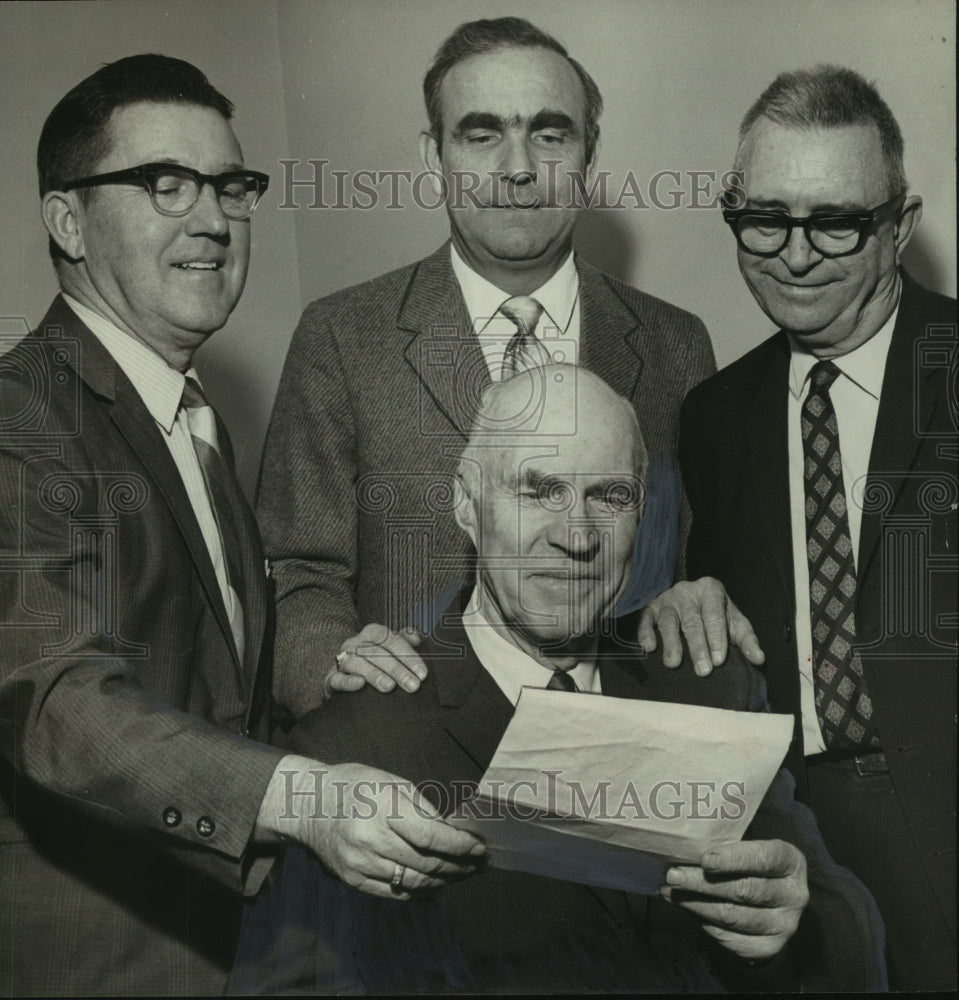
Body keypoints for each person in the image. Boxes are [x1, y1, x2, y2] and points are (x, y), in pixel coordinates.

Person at [0, 54, 483, 997]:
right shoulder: (25, 417)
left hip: (240, 948)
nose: (213, 220)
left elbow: (211, 694)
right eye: (163, 184)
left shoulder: (194, 419)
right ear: (67, 220)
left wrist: (335, 677)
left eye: (230, 185)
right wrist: (307, 801)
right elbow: (54, 698)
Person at [231, 366, 885, 993]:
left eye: (609, 496)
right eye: (538, 489)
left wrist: (777, 938)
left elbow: (847, 939)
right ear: (466, 502)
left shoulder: (705, 686)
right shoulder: (353, 745)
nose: (575, 535)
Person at [256, 16, 758, 719]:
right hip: (412, 766)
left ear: (589, 152)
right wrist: (344, 688)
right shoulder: (341, 338)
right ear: (433, 156)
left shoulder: (675, 344)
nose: (518, 167)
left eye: (550, 134)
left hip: (627, 765)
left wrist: (697, 595)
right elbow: (298, 574)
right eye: (481, 133)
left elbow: (695, 561)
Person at [678, 65, 957, 990]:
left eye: (835, 222)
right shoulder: (713, 416)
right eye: (764, 219)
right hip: (785, 854)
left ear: (899, 226)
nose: (794, 256)